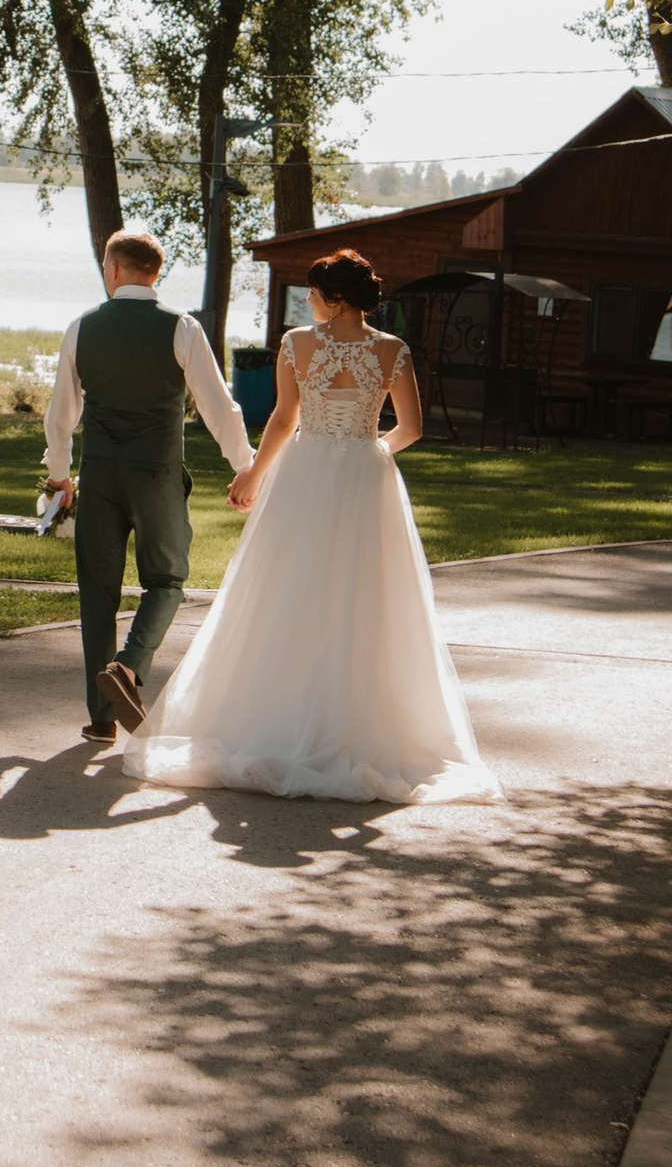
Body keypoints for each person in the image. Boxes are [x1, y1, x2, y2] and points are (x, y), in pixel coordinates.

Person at [122, 249, 496, 804]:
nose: (310, 302)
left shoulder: (299, 343)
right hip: (367, 482)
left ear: (335, 298)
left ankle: (276, 712)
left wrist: (252, 474)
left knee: (286, 588)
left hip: (304, 474)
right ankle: (356, 721)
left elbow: (281, 419)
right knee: (365, 596)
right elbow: (411, 428)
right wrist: (369, 455)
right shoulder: (393, 350)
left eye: (315, 293)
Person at [41, 228, 254, 745]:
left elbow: (62, 413)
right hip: (157, 474)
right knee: (167, 580)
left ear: (113, 269)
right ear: (155, 274)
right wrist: (247, 466)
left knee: (97, 593)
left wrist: (58, 477)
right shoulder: (181, 328)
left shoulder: (82, 328)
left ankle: (100, 718)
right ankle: (130, 666)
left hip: (102, 474)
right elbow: (217, 407)